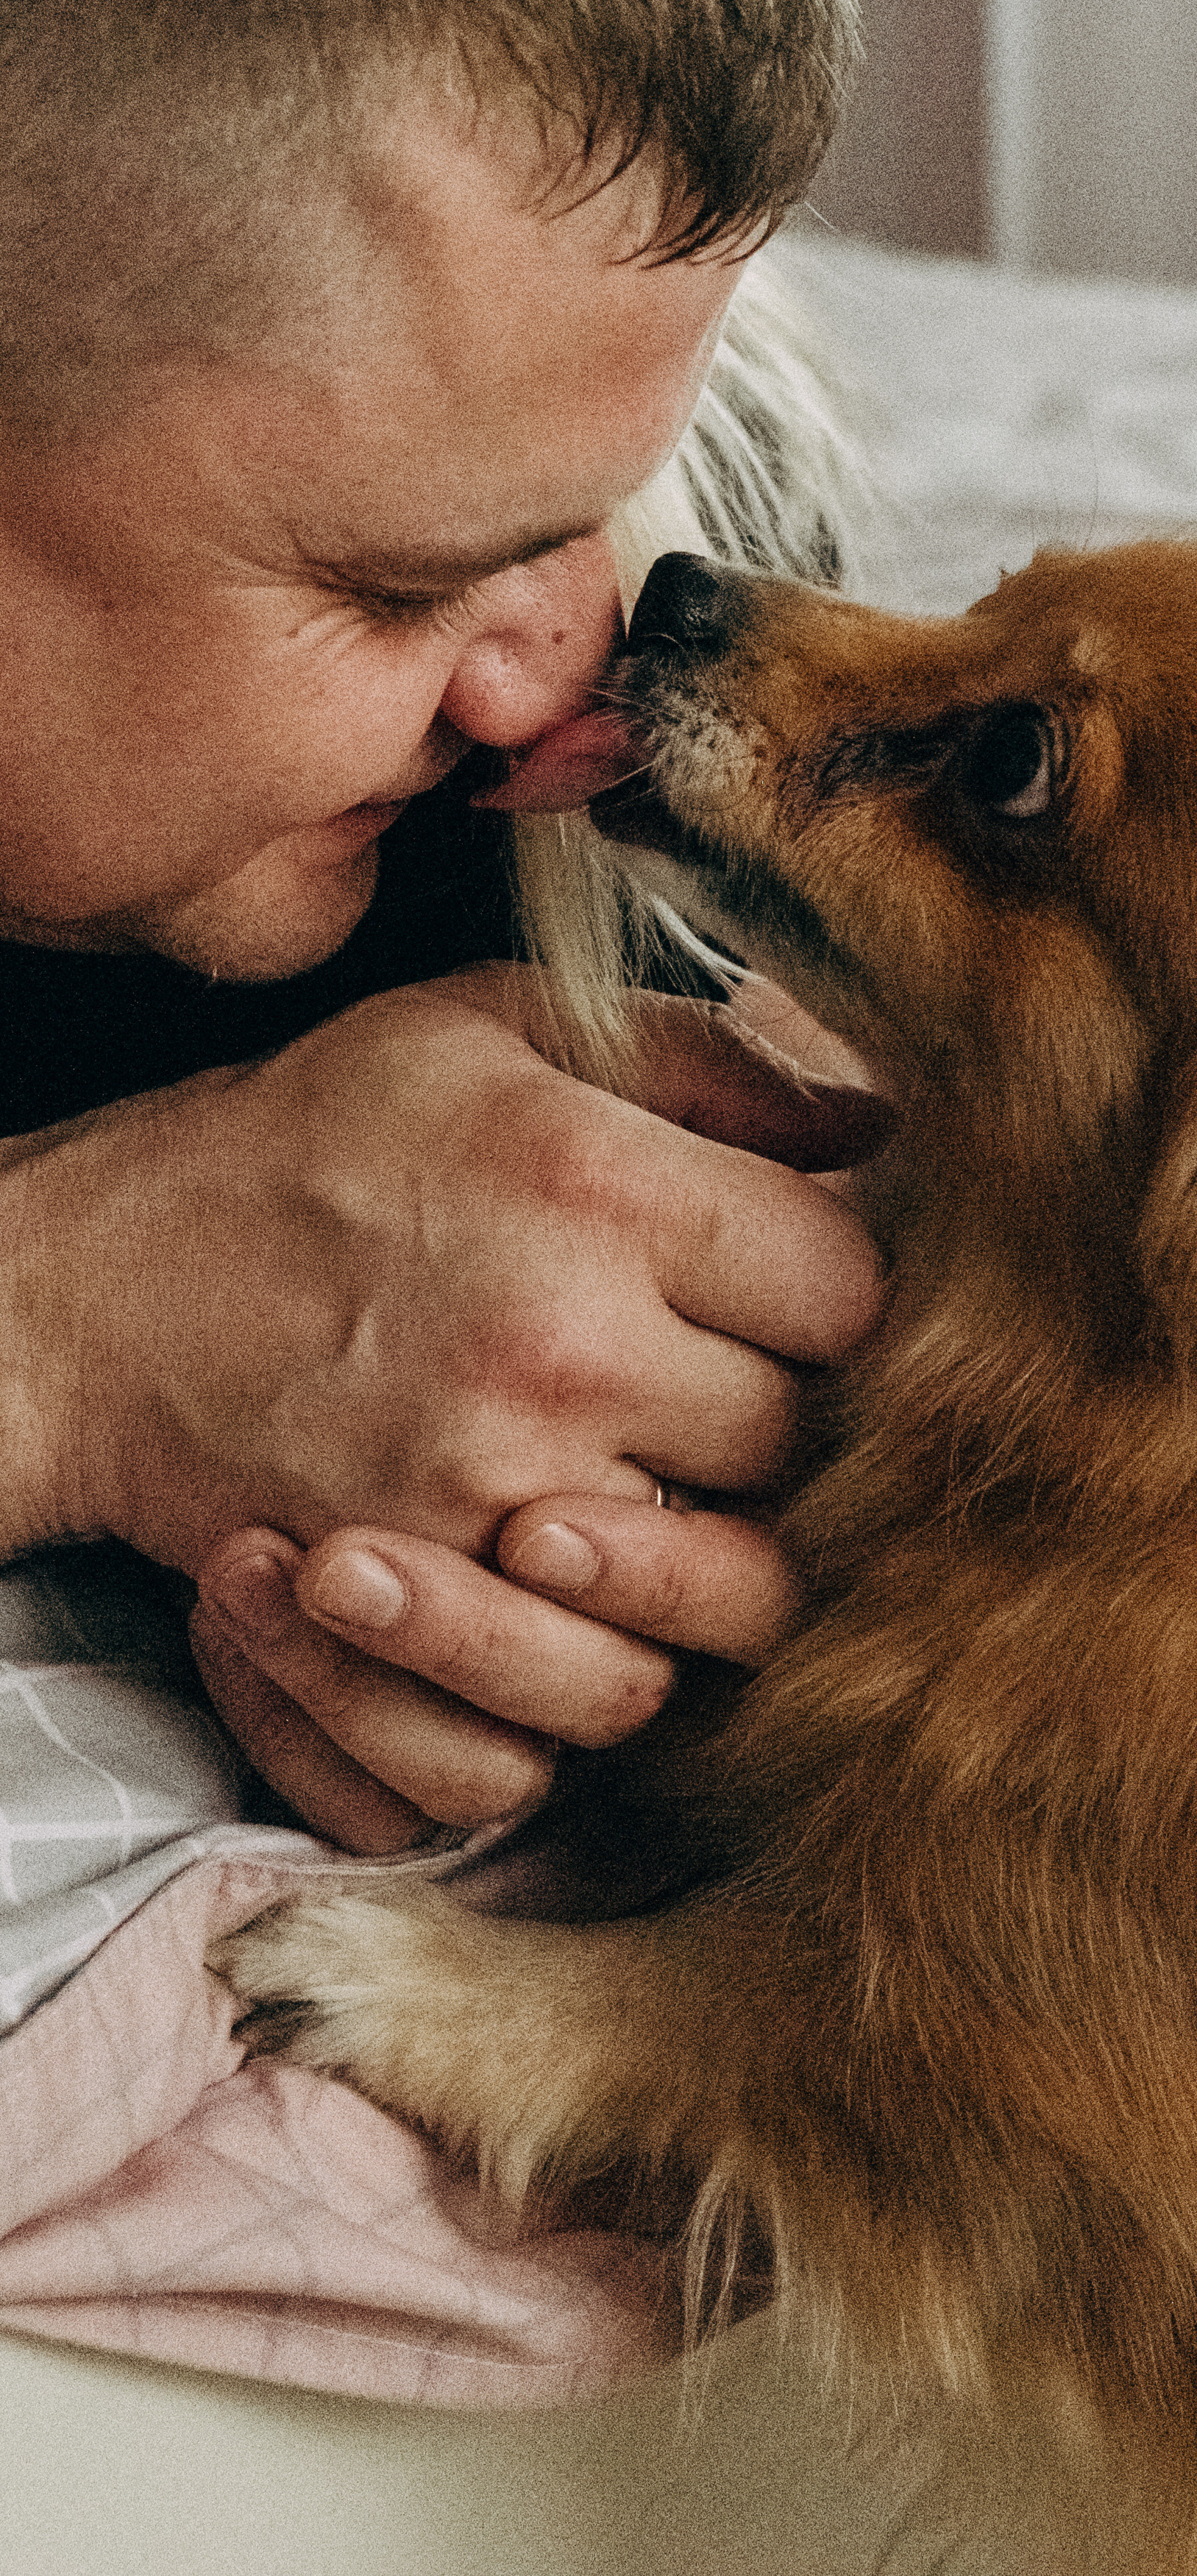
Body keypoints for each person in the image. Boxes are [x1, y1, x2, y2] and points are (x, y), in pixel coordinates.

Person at [0, 0, 883, 1860]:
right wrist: (79, 1324)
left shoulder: (688, 569)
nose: (571, 695)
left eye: (606, 500)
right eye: (397, 588)